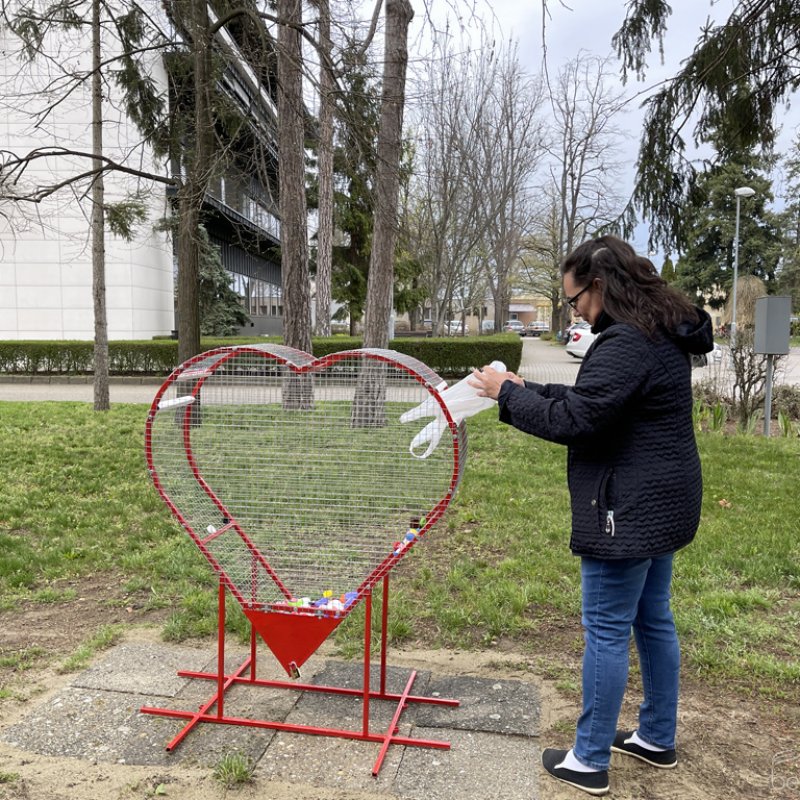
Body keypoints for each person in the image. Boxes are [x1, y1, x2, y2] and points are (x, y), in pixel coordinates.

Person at [469, 235, 713, 797]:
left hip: (625, 511)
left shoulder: (626, 341)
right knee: (653, 619)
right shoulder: (659, 332)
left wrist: (507, 395)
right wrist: (525, 387)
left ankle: (589, 758)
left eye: (575, 298)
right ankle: (655, 736)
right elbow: (597, 401)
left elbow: (578, 421)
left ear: (600, 286)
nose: (574, 309)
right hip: (664, 503)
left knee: (605, 630)